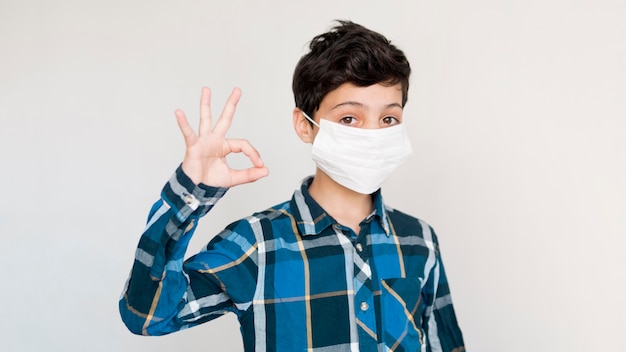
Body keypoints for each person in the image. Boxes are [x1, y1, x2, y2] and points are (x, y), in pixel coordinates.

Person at [119, 20, 465, 352]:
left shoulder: (419, 240)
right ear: (304, 125)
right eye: (349, 118)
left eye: (388, 118)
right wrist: (190, 191)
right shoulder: (257, 243)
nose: (373, 135)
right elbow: (146, 315)